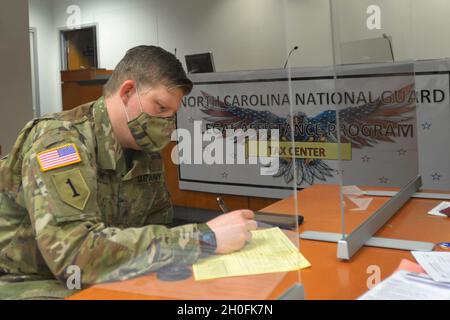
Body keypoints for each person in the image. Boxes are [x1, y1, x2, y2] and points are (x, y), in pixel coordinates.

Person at [0, 45, 257, 299]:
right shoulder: (60, 143)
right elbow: (74, 258)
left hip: (104, 275)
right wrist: (204, 239)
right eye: (160, 108)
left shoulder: (142, 149)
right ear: (127, 92)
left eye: (172, 115)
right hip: (31, 282)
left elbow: (156, 228)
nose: (167, 125)